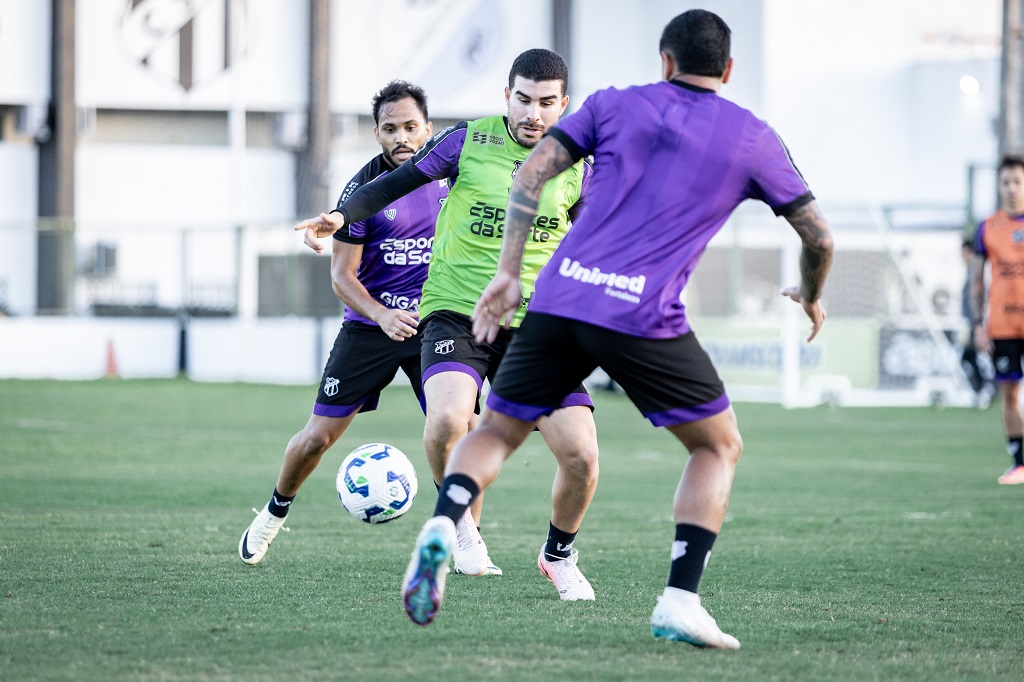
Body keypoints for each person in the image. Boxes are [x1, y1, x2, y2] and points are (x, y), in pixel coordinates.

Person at [399, 9, 834, 649]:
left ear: (665, 61)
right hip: (641, 312)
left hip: (559, 298)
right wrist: (811, 294)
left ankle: (443, 524)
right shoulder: (752, 136)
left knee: (495, 429)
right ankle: (680, 600)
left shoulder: (610, 104)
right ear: (729, 69)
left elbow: (531, 173)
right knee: (717, 446)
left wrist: (509, 274)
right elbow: (819, 237)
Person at [297, 50, 601, 595]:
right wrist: (341, 216)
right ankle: (460, 523)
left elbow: (599, 235)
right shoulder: (468, 140)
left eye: (545, 103)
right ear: (507, 96)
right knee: (448, 418)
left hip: (535, 327)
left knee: (581, 455)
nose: (532, 113)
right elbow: (394, 183)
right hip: (456, 312)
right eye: (523, 100)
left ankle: (558, 554)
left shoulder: (579, 165)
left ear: (563, 105)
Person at [238, 80, 447, 564]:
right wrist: (382, 314)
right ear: (376, 133)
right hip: (370, 328)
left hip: (434, 326)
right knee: (317, 438)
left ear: (428, 129)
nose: (401, 138)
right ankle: (272, 514)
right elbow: (341, 277)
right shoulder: (361, 192)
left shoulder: (452, 177)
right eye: (390, 129)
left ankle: (464, 537)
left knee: (456, 428)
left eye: (410, 127)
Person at [970, 154, 1024, 485]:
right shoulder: (987, 228)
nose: (1011, 188)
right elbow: (976, 281)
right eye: (1006, 182)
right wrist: (978, 324)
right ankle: (1020, 462)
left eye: (1017, 181)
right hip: (1003, 326)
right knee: (1009, 394)